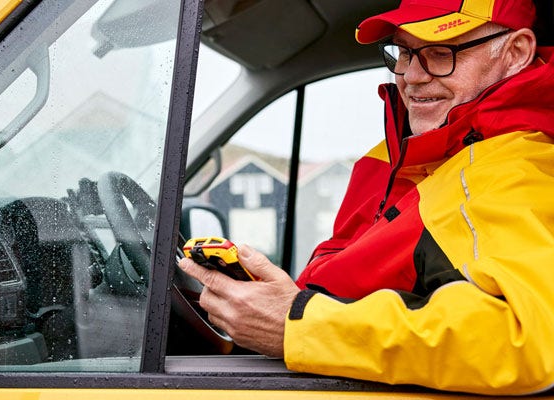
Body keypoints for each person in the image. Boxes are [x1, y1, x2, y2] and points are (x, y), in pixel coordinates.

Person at [178, 0, 554, 395]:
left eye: (441, 53)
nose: (411, 76)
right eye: (404, 53)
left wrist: (297, 322)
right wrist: (269, 303)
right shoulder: (398, 155)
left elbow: (528, 339)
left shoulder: (515, 169)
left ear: (516, 53)